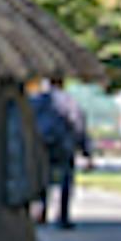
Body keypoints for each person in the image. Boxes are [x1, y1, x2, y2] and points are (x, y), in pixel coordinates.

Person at [34, 76, 87, 227]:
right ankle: (62, 215)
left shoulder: (36, 100)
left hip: (41, 144)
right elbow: (78, 123)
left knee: (41, 177)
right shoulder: (68, 100)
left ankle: (40, 212)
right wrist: (84, 149)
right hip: (63, 144)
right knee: (65, 180)